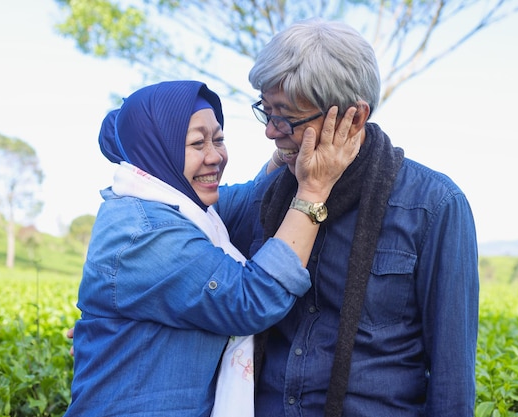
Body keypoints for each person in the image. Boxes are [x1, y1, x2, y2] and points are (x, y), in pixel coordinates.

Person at [214, 19, 480, 417]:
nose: (270, 132)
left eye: (286, 117)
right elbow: (186, 251)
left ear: (354, 118)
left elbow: (451, 381)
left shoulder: (433, 206)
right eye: (265, 111)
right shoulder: (268, 196)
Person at [64, 80, 360, 416]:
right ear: (155, 149)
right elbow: (251, 300)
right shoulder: (145, 233)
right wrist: (313, 191)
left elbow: (251, 198)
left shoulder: (184, 210)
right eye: (197, 143)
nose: (215, 156)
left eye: (219, 139)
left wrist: (290, 145)